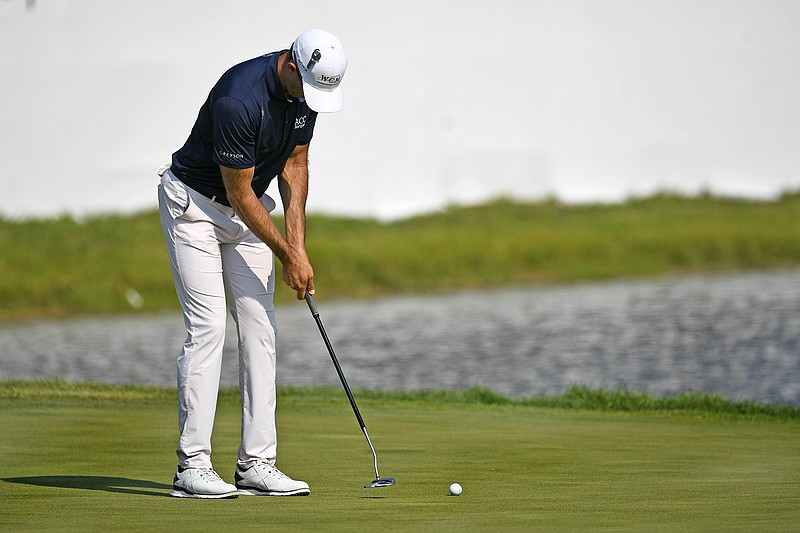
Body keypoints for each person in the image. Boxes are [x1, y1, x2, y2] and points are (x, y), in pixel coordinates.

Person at [157, 29, 348, 499]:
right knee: (208, 330)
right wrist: (285, 253)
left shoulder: (306, 95)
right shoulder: (238, 99)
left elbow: (296, 165)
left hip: (244, 208)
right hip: (195, 206)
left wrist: (297, 247)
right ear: (290, 66)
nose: (313, 99)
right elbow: (240, 194)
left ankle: (257, 463)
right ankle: (192, 467)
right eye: (309, 87)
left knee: (261, 329)